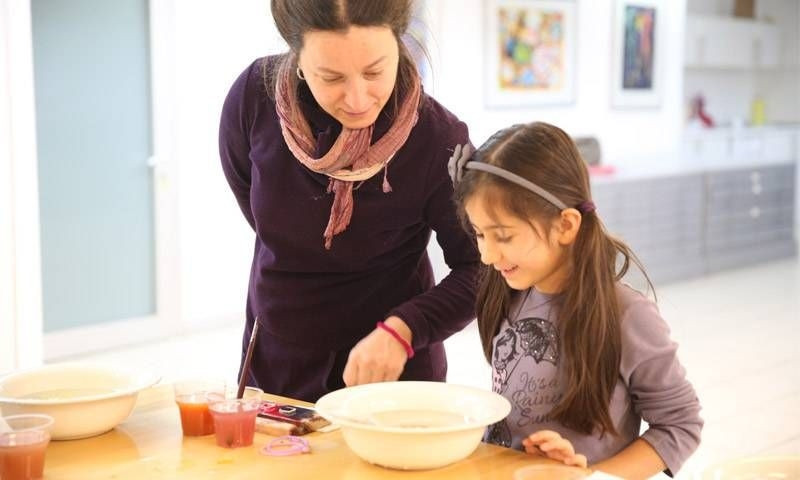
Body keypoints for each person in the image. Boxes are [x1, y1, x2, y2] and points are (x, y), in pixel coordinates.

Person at [218, 0, 480, 403]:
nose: (357, 99)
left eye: (374, 72)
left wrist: (405, 329)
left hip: (390, 373)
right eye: (331, 77)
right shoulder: (254, 98)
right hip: (276, 365)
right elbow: (255, 206)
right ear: (297, 58)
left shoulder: (437, 139)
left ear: (399, 44)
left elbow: (482, 268)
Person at [450, 122, 703, 479]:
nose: (487, 255)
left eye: (503, 236)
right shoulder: (507, 291)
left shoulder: (627, 316)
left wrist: (589, 475)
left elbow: (680, 425)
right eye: (479, 234)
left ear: (566, 226)